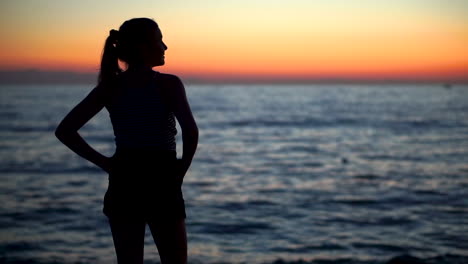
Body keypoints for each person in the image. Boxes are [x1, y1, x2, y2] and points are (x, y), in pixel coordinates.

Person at [55, 18, 198, 264]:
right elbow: (191, 132)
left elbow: (65, 130)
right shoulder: (168, 84)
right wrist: (180, 172)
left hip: (124, 178)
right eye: (159, 40)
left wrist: (107, 164)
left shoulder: (111, 86)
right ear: (143, 47)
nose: (165, 47)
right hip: (160, 177)